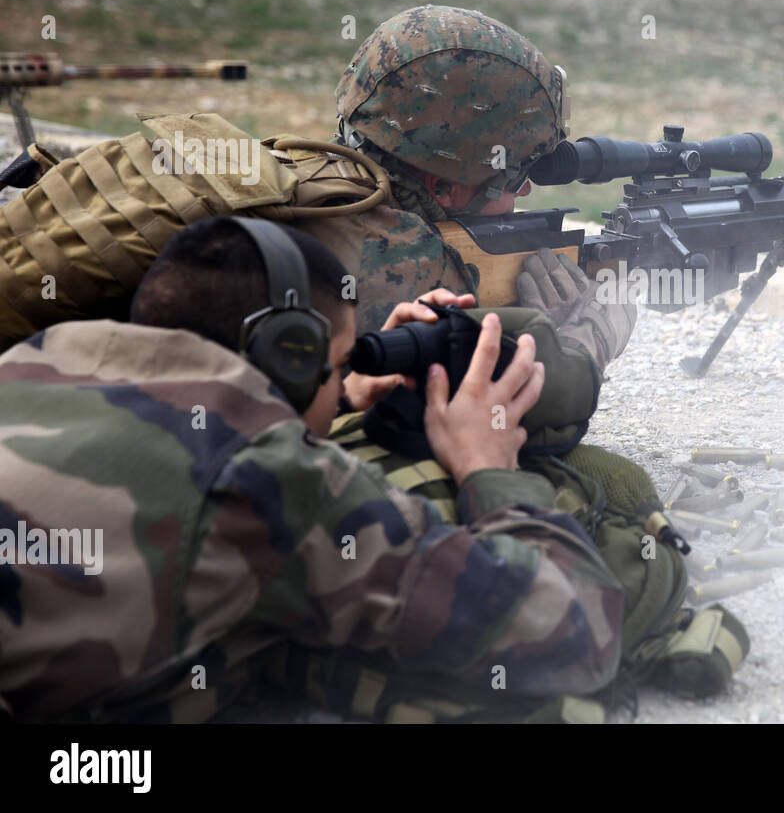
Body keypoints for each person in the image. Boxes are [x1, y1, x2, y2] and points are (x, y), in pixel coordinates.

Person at [0, 216, 623, 722]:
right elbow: (576, 630)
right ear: (285, 359)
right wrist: (487, 467)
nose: (342, 381)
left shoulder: (33, 361)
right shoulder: (263, 479)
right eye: (334, 364)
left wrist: (344, 392)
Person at [325, 4, 636, 375]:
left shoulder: (313, 192)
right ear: (441, 187)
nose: (524, 193)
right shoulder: (403, 267)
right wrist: (584, 337)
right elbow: (490, 421)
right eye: (518, 176)